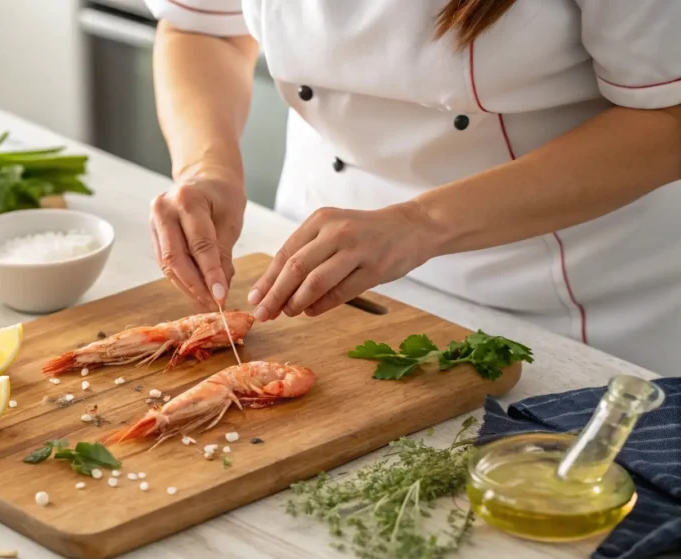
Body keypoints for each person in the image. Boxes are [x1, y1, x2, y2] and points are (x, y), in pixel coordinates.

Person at [142, 0, 681, 375]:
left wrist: (420, 224)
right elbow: (202, 27)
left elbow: (670, 119)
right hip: (312, 269)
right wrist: (206, 167)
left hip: (554, 294)